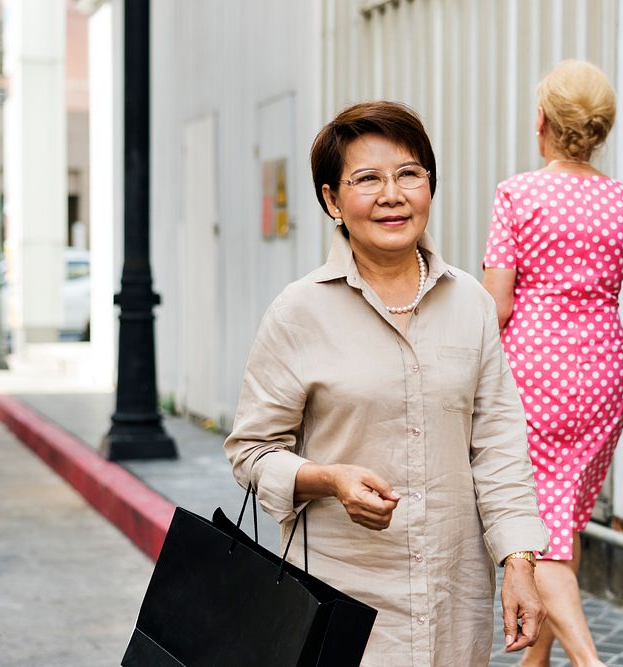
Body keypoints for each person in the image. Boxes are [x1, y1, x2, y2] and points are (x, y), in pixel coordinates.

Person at [224, 101, 550, 666]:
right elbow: (251, 453)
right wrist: (328, 478)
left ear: (430, 185)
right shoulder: (299, 312)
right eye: (366, 179)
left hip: (452, 596)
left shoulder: (470, 303)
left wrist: (519, 560)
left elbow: (497, 442)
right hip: (339, 595)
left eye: (408, 175)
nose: (392, 195)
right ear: (332, 199)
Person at [483, 60, 623, 667]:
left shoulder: (517, 195)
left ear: (541, 121)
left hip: (532, 375)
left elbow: (497, 305)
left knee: (540, 537)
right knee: (560, 520)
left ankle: (589, 662)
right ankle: (534, 663)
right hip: (602, 376)